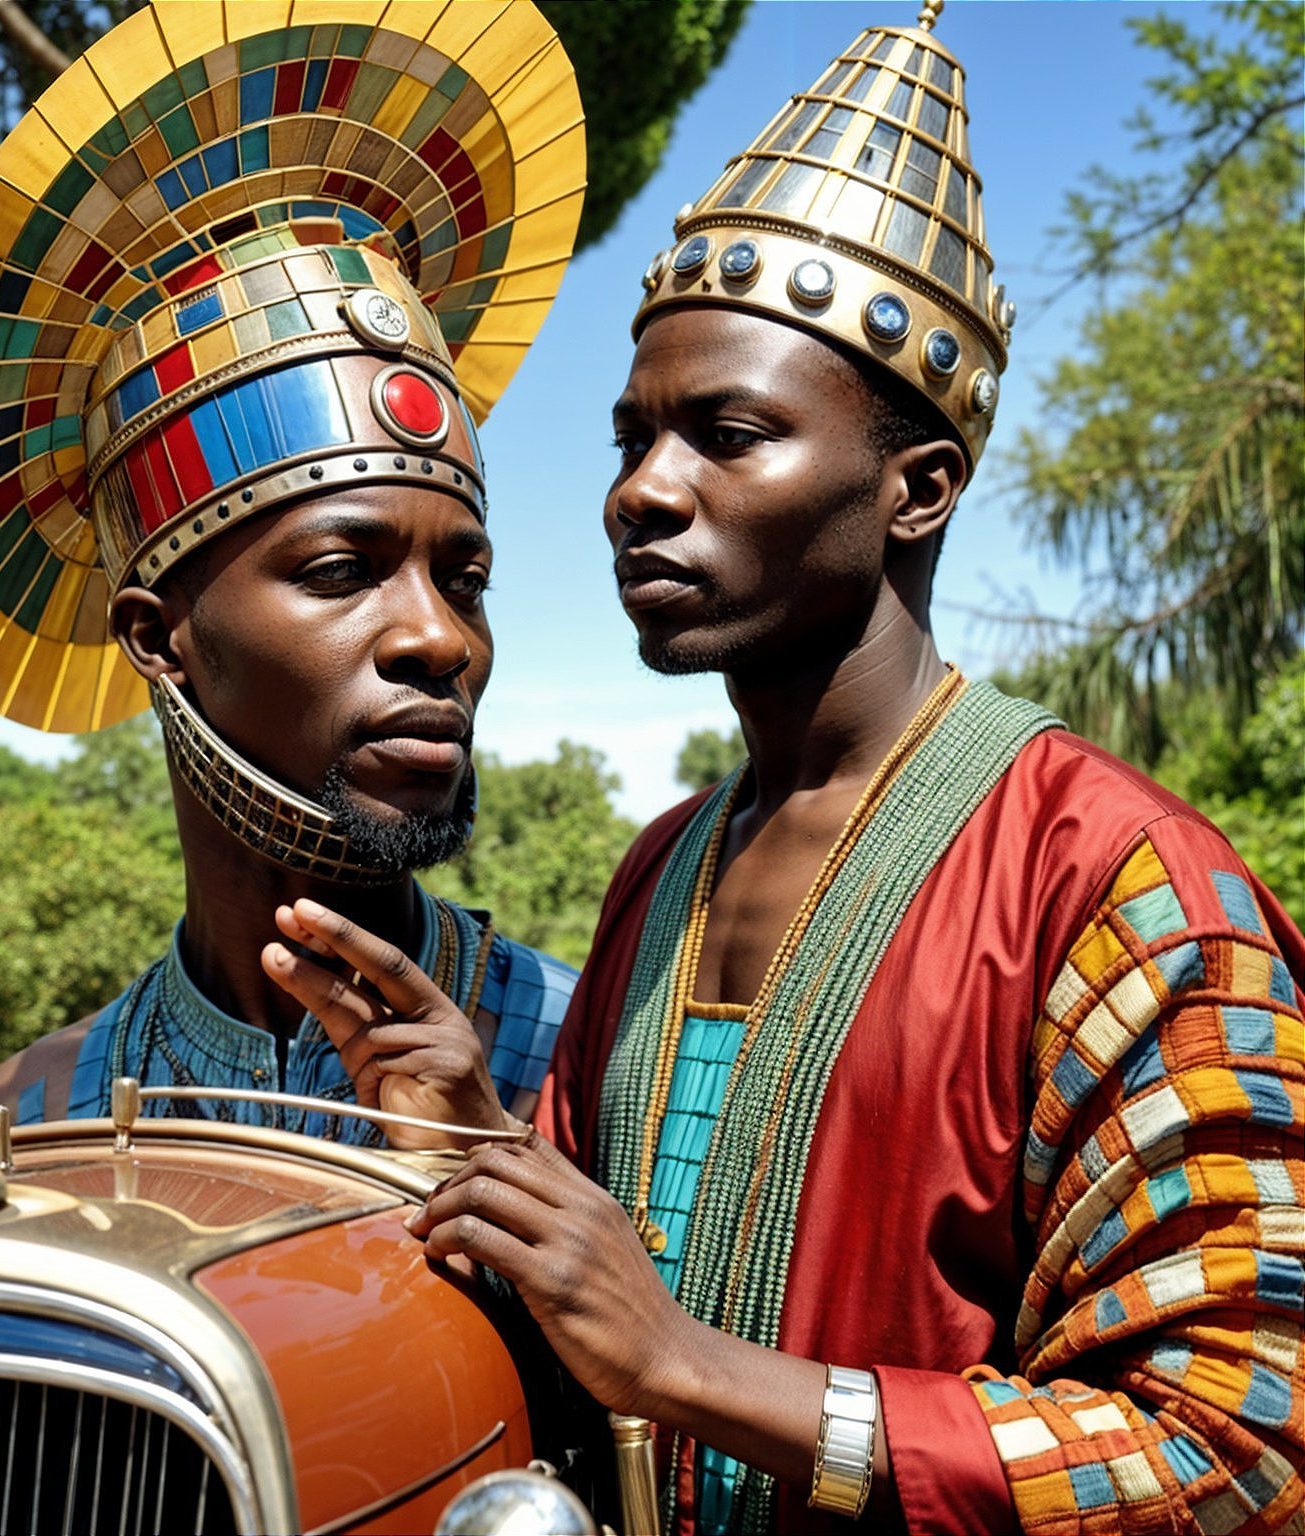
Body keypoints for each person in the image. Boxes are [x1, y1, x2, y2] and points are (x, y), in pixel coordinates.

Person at [265, 5, 1305, 1531]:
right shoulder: (665, 867)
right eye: (630, 440)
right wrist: (488, 1151)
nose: (641, 493)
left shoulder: (1121, 887)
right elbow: (603, 1327)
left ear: (918, 485)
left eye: (726, 435)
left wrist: (698, 1372)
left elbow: (1239, 1456)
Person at [0, 0, 587, 1146]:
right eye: (337, 570)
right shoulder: (32, 1119)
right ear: (158, 638)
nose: (441, 639)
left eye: (464, 580)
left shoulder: (599, 1065)